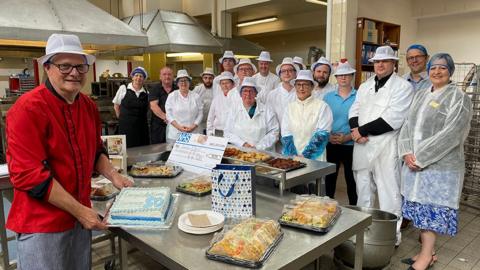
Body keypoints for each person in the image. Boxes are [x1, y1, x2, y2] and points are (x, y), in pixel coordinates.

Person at [5, 33, 133, 269]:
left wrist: (115, 177)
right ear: (47, 67)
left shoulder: (87, 106)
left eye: (80, 66)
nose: (74, 72)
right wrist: (81, 212)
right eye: (64, 65)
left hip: (80, 217)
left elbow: (95, 152)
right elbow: (30, 176)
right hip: (42, 225)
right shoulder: (27, 109)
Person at [398, 53, 472, 270]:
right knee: (420, 212)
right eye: (433, 68)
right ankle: (427, 253)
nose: (437, 72)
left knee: (430, 213)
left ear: (450, 72)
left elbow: (452, 134)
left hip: (440, 168)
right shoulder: (421, 94)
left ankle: (425, 257)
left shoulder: (458, 98)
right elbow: (407, 126)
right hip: (415, 165)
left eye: (443, 68)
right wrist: (406, 152)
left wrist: (421, 157)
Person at [349, 45, 413, 245]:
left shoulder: (403, 87)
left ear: (393, 64)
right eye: (377, 61)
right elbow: (355, 109)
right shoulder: (365, 85)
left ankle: (390, 237)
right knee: (363, 189)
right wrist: (355, 131)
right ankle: (362, 232)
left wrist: (362, 131)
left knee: (389, 193)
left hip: (385, 145)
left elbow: (393, 118)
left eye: (385, 61)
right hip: (362, 144)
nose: (380, 64)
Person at [323, 62, 358, 205]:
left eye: (347, 75)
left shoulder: (360, 96)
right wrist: (328, 136)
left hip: (352, 144)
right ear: (336, 78)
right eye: (340, 75)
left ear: (352, 76)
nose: (343, 78)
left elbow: (363, 120)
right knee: (330, 179)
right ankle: (327, 209)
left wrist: (348, 137)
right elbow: (322, 120)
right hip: (332, 143)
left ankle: (354, 211)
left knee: (352, 181)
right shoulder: (327, 97)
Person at [281, 70, 333, 161]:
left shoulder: (322, 107)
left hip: (315, 158)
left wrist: (306, 156)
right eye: (298, 84)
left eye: (305, 85)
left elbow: (322, 135)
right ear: (295, 86)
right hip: (293, 158)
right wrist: (293, 155)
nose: (301, 88)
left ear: (312, 87)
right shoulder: (289, 107)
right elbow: (286, 134)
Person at [224, 77, 279, 151]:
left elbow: (274, 132)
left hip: (262, 153)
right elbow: (227, 132)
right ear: (240, 94)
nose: (248, 94)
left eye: (251, 91)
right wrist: (243, 144)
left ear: (256, 93)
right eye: (245, 91)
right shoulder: (233, 110)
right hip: (239, 152)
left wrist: (258, 147)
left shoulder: (267, 110)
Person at [112, 66, 149, 148]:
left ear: (144, 79)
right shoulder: (123, 88)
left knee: (142, 149)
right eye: (136, 75)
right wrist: (121, 118)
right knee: (127, 148)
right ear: (132, 77)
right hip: (126, 126)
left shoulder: (146, 92)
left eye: (141, 76)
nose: (138, 78)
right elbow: (116, 105)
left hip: (141, 127)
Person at [165, 69, 203, 141]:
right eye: (181, 81)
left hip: (193, 132)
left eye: (186, 80)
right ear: (177, 83)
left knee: (191, 151)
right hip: (176, 133)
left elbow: (200, 113)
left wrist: (193, 126)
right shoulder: (172, 96)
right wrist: (179, 127)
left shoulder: (196, 96)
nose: (183, 83)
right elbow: (169, 115)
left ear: (189, 82)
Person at [149, 66, 177, 144]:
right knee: (158, 149)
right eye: (164, 74)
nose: (167, 76)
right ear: (160, 77)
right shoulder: (155, 89)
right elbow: (154, 106)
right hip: (158, 126)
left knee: (173, 148)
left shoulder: (177, 89)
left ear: (173, 76)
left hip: (175, 126)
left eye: (169, 74)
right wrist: (167, 118)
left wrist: (172, 121)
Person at [206, 71, 235, 137]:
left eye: (227, 83)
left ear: (233, 84)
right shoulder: (216, 99)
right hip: (218, 133)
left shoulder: (238, 98)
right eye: (222, 83)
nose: (225, 86)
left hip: (233, 134)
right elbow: (210, 119)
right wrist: (209, 133)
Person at [193, 67, 215, 134]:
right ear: (202, 78)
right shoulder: (197, 89)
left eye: (210, 78)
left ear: (213, 79)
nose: (208, 80)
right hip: (199, 123)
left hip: (213, 123)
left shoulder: (217, 89)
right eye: (205, 78)